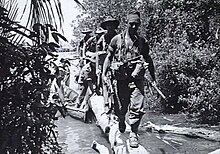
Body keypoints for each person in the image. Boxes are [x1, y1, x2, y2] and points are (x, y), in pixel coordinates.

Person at [102, 11, 156, 148]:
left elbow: (148, 58)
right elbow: (108, 57)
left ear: (139, 25)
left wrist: (153, 76)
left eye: (136, 25)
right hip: (121, 78)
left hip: (137, 78)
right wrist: (104, 73)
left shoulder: (142, 41)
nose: (133, 27)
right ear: (127, 24)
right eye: (131, 24)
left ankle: (133, 133)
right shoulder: (117, 40)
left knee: (137, 106)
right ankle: (121, 119)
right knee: (121, 107)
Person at [96, 17, 119, 106]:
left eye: (112, 25)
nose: (110, 27)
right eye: (108, 25)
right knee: (104, 81)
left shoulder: (118, 37)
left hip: (115, 62)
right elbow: (98, 53)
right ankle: (106, 103)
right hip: (105, 62)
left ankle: (117, 105)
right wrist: (98, 68)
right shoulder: (103, 38)